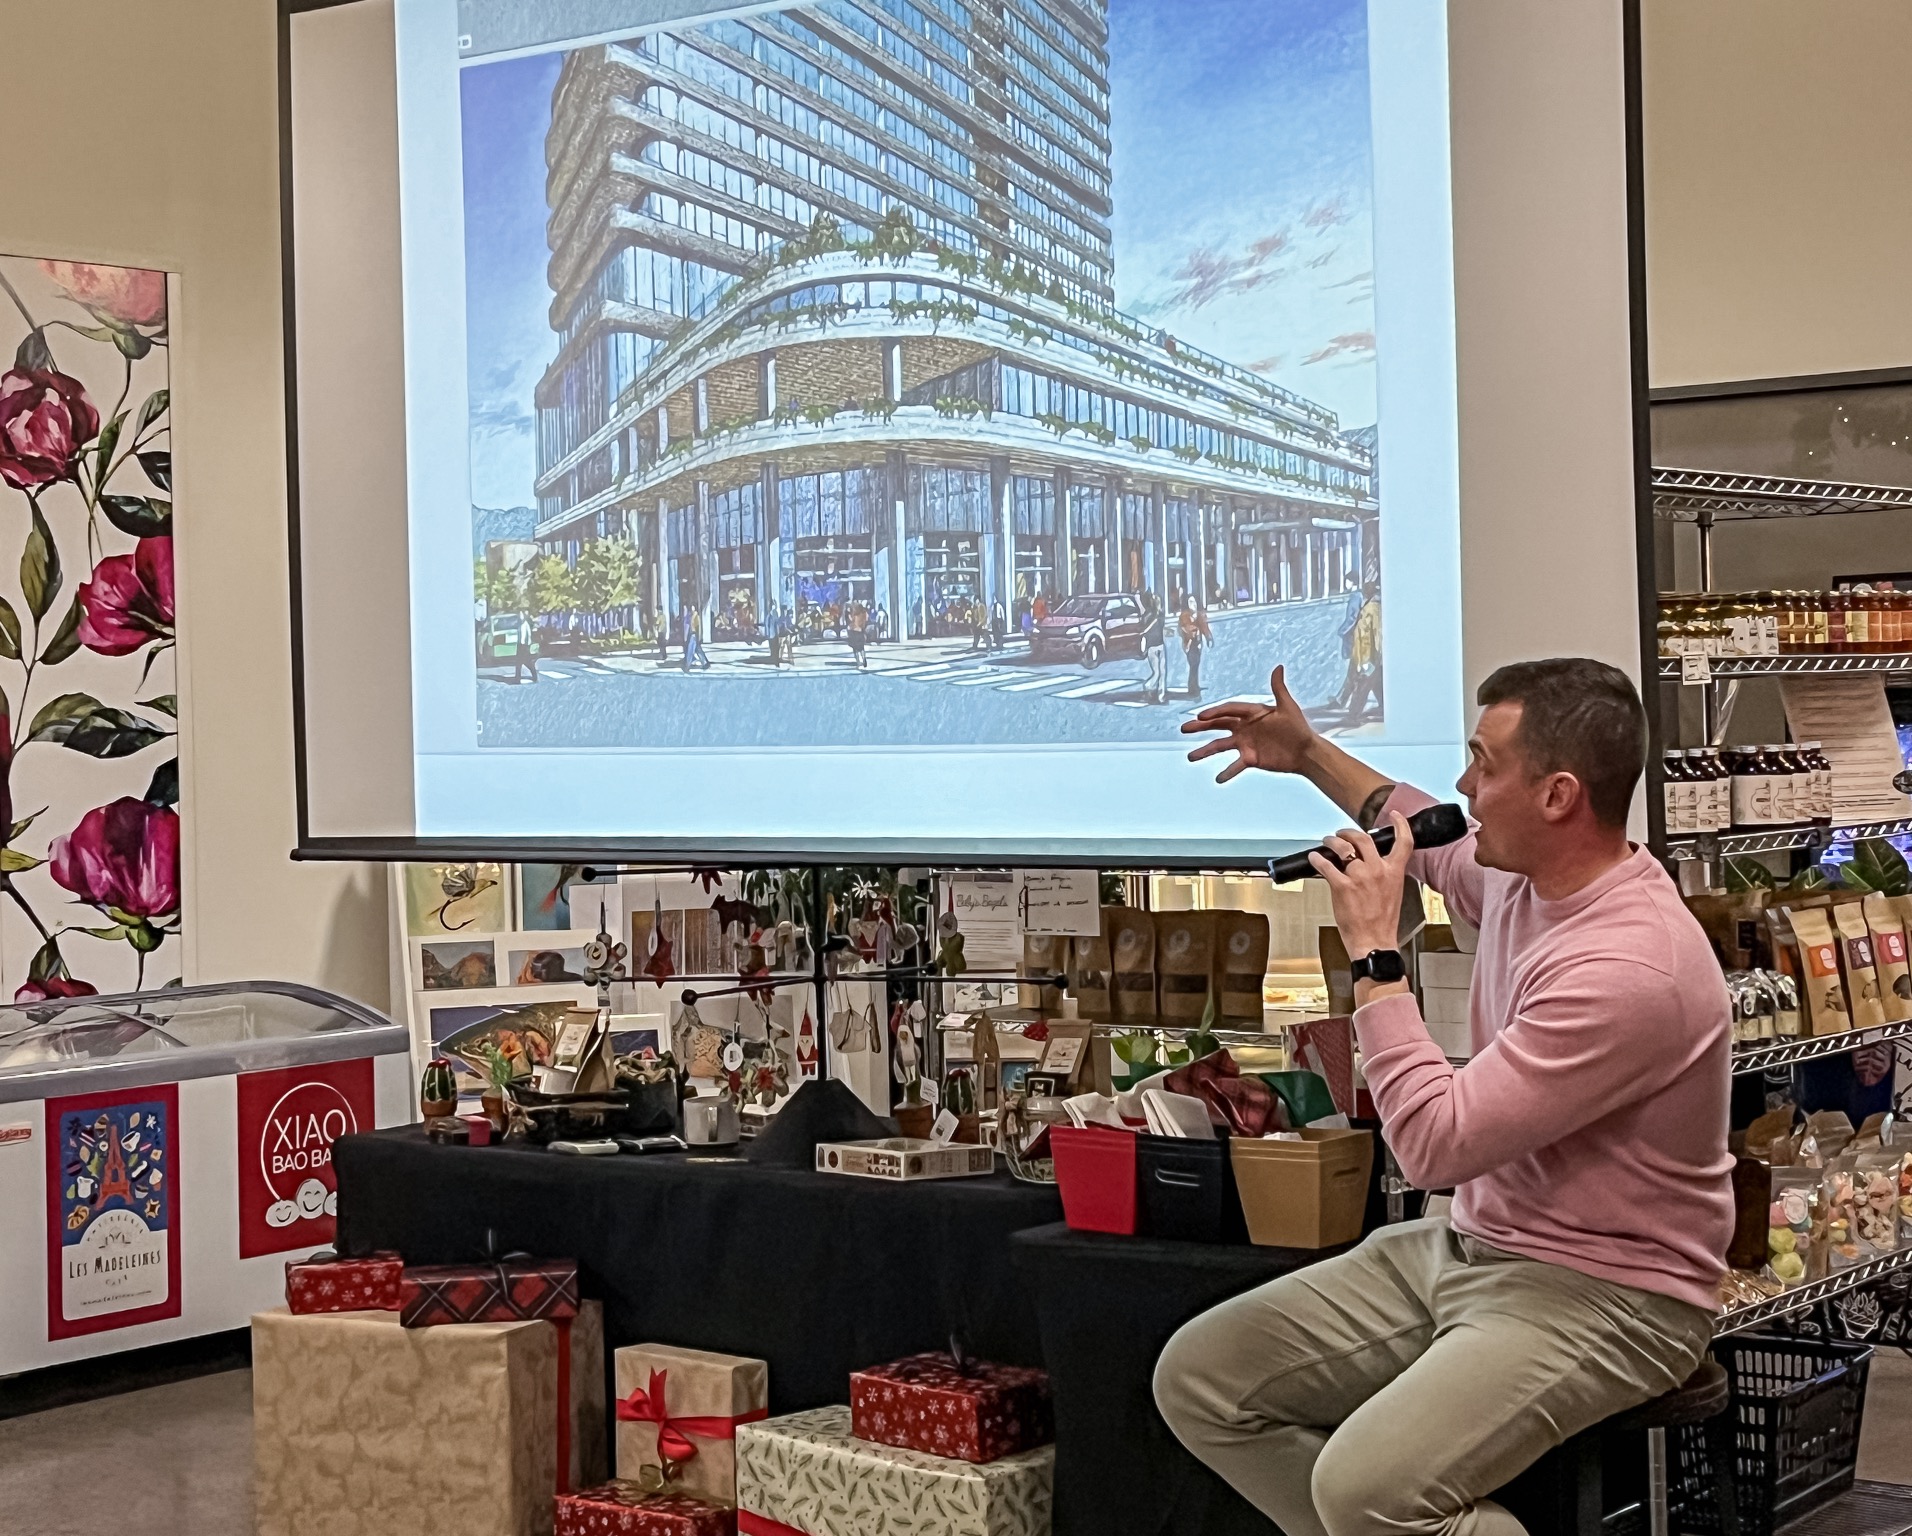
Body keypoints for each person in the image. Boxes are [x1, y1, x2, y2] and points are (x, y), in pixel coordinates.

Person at [1160, 658, 1731, 1536]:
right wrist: (1308, 753)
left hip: (1608, 1290)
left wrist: (1376, 962)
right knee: (1203, 1381)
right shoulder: (1523, 877)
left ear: (1558, 796)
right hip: (1474, 1246)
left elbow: (1434, 1146)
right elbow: (1413, 822)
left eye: (1484, 764)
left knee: (1365, 1492)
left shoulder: (1630, 967)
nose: (1464, 788)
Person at [1338, 582, 1383, 719]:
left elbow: (1376, 634)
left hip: (1368, 656)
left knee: (1362, 685)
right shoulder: (1368, 607)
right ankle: (1383, 705)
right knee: (1374, 682)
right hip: (1363, 653)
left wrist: (1375, 657)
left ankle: (1353, 714)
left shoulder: (1373, 609)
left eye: (1365, 592)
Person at [1177, 598, 1212, 700]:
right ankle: (1192, 689)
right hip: (1189, 644)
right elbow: (1184, 628)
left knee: (1195, 665)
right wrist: (1195, 630)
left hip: (1198, 644)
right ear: (1187, 604)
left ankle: (1194, 686)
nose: (1193, 604)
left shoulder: (1199, 615)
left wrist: (1209, 638)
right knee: (1193, 665)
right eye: (1190, 602)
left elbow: (1204, 626)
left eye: (1194, 602)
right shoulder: (1184, 616)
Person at [1140, 593, 1167, 702]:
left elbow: (1161, 627)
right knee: (1157, 672)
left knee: (1162, 671)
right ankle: (1148, 686)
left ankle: (1161, 695)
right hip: (1153, 646)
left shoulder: (1158, 615)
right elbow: (1146, 629)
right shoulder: (1150, 615)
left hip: (1159, 645)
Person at [847, 603, 870, 670]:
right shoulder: (864, 614)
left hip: (854, 631)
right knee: (861, 648)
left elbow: (851, 620)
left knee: (855, 649)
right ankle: (864, 658)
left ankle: (858, 662)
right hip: (861, 631)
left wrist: (849, 615)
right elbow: (867, 620)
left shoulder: (855, 614)